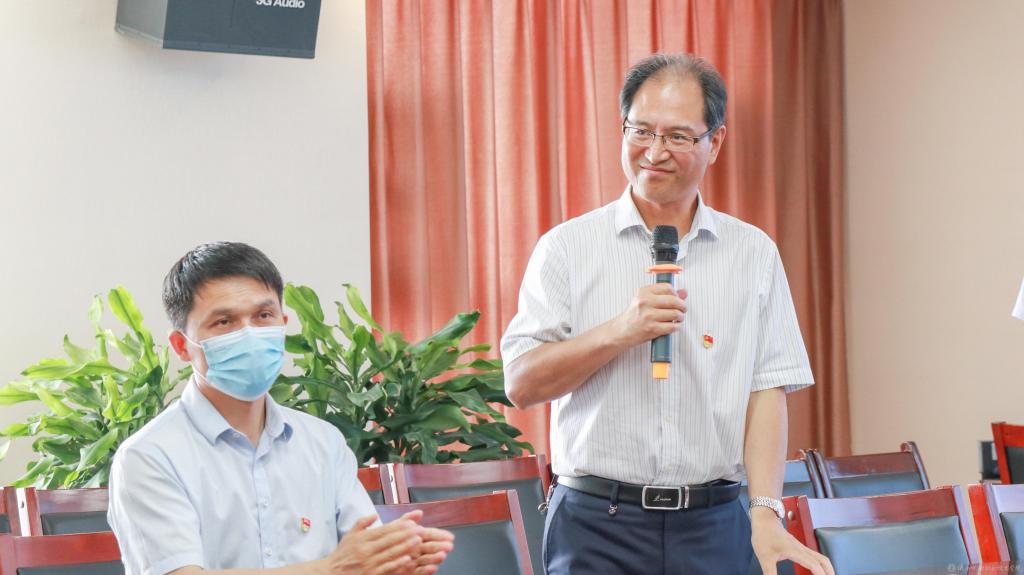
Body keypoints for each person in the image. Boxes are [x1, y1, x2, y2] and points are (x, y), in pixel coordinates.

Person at [501, 53, 835, 575]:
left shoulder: (753, 253)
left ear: (714, 142)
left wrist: (765, 512)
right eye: (641, 131)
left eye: (678, 136)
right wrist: (619, 331)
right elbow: (521, 384)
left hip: (714, 522)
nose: (654, 152)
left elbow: (767, 389)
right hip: (595, 524)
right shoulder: (566, 248)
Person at [108, 242, 454, 575]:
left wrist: (396, 560)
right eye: (224, 322)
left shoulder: (323, 442)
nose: (249, 334)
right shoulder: (149, 456)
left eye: (263, 316)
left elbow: (364, 557)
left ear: (282, 323)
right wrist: (330, 570)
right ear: (182, 346)